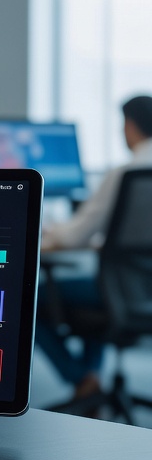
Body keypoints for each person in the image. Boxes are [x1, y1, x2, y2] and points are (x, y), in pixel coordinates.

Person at [38, 95, 152, 403]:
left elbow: (75, 236)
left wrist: (46, 232)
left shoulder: (125, 172)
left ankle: (81, 378)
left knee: (27, 298)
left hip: (120, 289)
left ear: (129, 125)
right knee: (98, 288)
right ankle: (90, 384)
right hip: (145, 291)